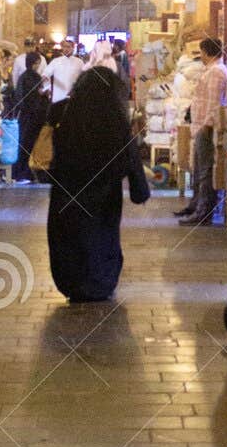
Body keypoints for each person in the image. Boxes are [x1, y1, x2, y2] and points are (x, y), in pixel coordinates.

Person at [47, 66, 150, 303]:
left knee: (68, 238)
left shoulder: (62, 112)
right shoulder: (114, 119)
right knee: (101, 237)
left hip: (66, 191)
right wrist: (139, 189)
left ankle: (71, 283)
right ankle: (98, 284)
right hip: (103, 193)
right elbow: (130, 156)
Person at [177, 36, 227, 226]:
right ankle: (196, 205)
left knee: (205, 170)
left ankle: (203, 212)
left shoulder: (216, 72)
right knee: (199, 168)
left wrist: (206, 125)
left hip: (205, 127)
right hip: (200, 126)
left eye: (202, 52)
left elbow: (215, 103)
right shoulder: (212, 70)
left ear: (207, 52)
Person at [10, 49, 50, 183]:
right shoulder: (33, 77)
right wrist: (43, 94)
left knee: (23, 143)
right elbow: (35, 96)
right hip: (32, 117)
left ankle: (21, 172)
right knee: (28, 144)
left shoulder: (23, 77)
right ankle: (24, 173)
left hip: (26, 116)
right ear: (35, 63)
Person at [42, 36, 85, 105]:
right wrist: (47, 88)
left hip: (74, 97)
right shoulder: (55, 61)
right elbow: (45, 75)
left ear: (73, 48)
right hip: (58, 97)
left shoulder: (79, 62)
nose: (66, 49)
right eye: (64, 47)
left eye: (69, 47)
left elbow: (83, 78)